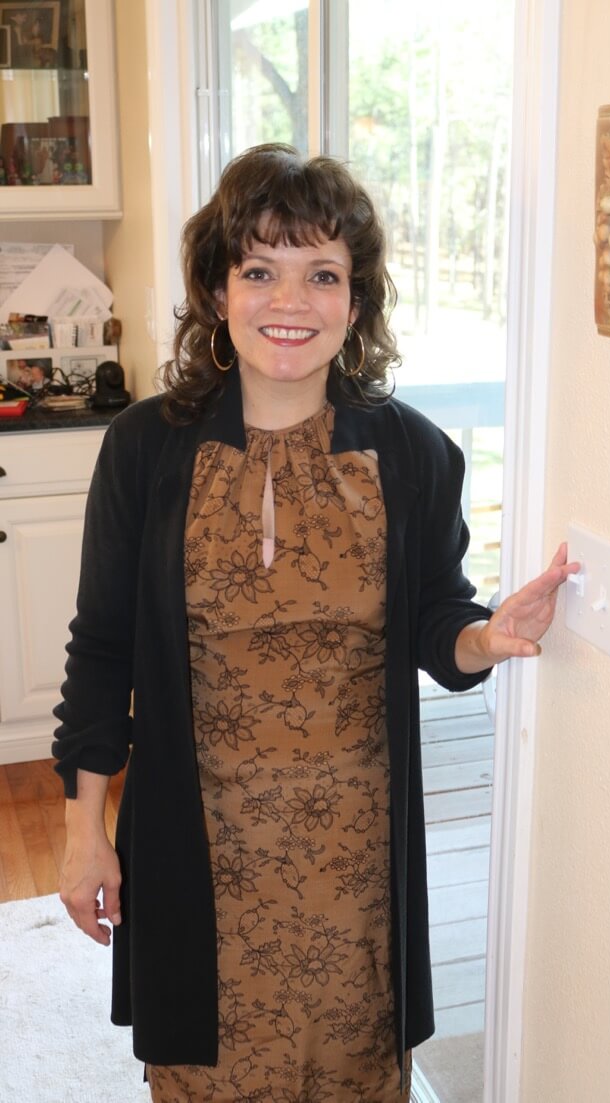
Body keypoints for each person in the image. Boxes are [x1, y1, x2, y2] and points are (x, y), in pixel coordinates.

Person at [53, 143, 578, 1102]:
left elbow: (436, 621)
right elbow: (101, 649)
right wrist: (85, 830)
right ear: (218, 291)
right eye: (260, 270)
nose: (289, 301)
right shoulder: (144, 450)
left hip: (355, 861)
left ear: (355, 298)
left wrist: (486, 636)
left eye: (322, 274)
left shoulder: (412, 454)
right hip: (195, 845)